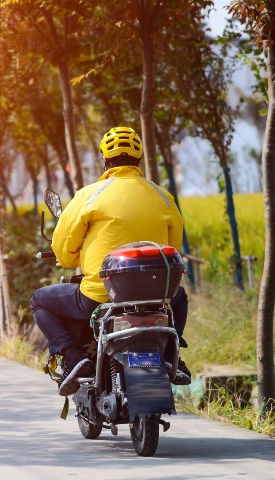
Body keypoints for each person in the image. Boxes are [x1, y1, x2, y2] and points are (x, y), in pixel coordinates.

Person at [31, 126, 191, 397]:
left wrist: (71, 258)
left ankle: (74, 359)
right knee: (180, 297)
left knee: (39, 300)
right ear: (139, 160)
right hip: (157, 297)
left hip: (100, 297)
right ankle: (170, 354)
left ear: (105, 160)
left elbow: (63, 249)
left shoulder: (89, 195)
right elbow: (172, 248)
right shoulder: (163, 196)